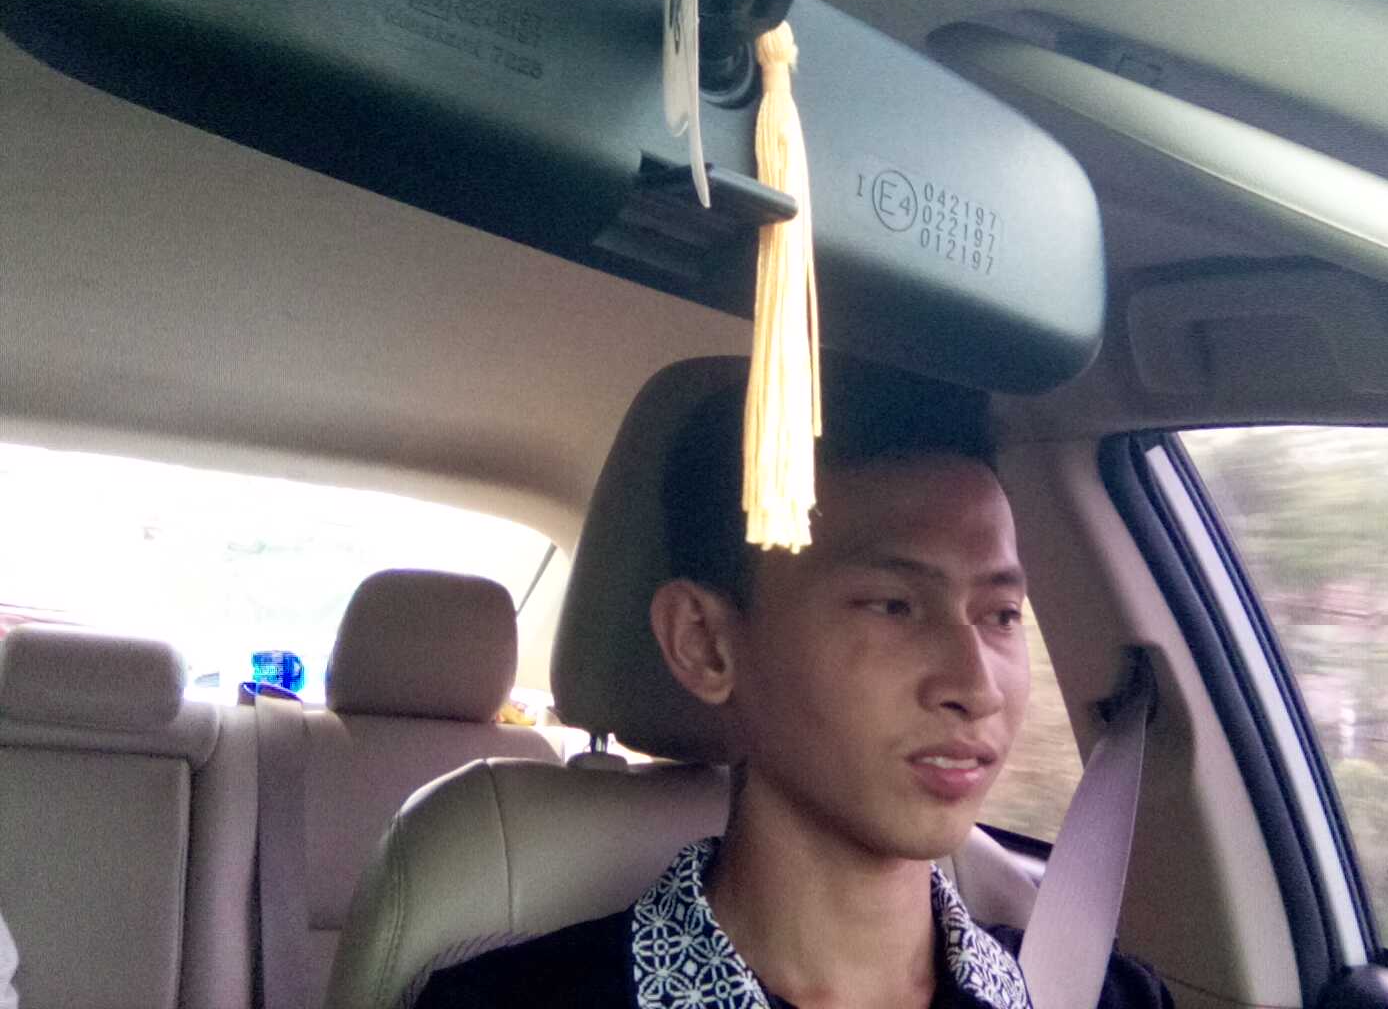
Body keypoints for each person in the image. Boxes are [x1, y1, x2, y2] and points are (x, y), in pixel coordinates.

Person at [417, 368, 1171, 1009]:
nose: (976, 687)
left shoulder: (1098, 994)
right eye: (893, 607)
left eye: (1001, 615)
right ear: (705, 644)